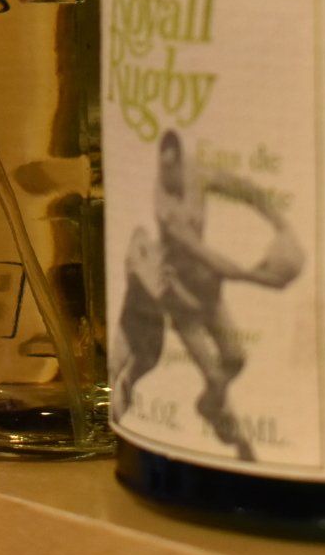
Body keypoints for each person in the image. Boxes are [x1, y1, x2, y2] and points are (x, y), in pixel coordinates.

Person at [110, 130, 303, 461]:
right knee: (212, 371)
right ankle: (230, 429)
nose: (169, 174)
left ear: (180, 160)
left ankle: (209, 404)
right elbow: (202, 253)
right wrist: (256, 277)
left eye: (173, 166)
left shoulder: (196, 173)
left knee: (237, 359)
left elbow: (243, 188)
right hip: (182, 296)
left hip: (209, 290)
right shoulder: (164, 205)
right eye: (163, 168)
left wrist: (280, 223)